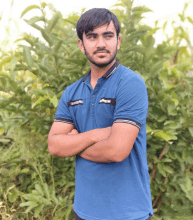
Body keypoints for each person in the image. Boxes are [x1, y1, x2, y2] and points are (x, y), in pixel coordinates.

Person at [47, 8, 153, 220]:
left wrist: (75, 142)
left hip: (128, 213)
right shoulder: (72, 92)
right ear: (81, 44)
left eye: (108, 35)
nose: (101, 43)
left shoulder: (130, 83)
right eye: (92, 37)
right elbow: (54, 145)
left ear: (118, 41)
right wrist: (96, 135)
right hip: (84, 211)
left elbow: (116, 151)